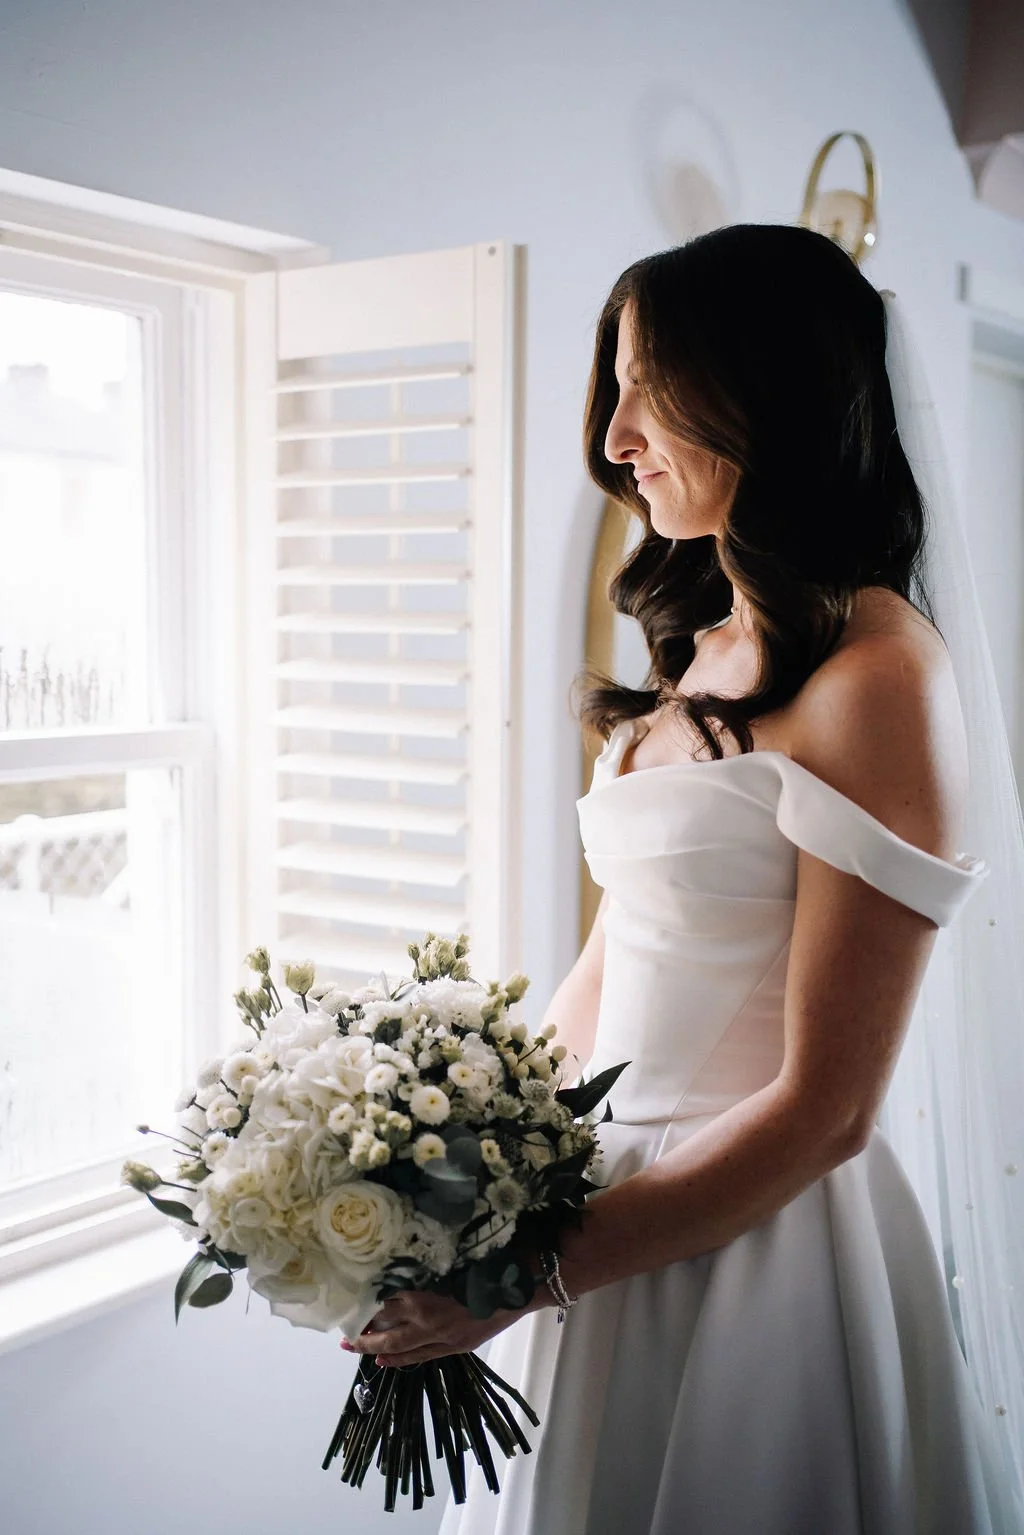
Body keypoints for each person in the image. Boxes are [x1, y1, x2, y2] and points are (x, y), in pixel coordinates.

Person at [345, 225, 1022, 1533]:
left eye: (649, 382)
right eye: (619, 382)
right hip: (593, 1213)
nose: (615, 432)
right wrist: (447, 1180)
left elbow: (829, 1108)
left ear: (761, 383)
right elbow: (611, 973)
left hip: (757, 1252)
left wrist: (530, 1273)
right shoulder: (704, 649)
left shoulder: (878, 679)